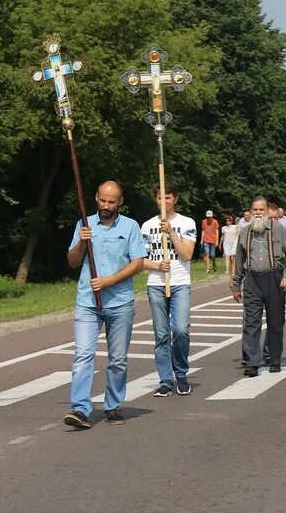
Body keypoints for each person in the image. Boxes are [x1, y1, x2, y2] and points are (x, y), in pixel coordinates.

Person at [63, 181, 146, 429]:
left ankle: (113, 405)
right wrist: (81, 241)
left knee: (117, 359)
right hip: (88, 302)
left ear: (120, 202)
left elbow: (138, 263)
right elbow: (73, 261)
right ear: (96, 198)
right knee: (83, 355)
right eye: (102, 200)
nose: (106, 206)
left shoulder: (131, 226)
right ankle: (80, 409)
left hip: (120, 303)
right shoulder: (84, 224)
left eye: (111, 202)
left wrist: (110, 281)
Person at [141, 182, 197, 397]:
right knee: (161, 334)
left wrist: (171, 233)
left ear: (175, 199)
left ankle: (181, 374)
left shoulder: (187, 222)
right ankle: (165, 379)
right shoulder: (147, 226)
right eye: (160, 198)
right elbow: (139, 261)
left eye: (168, 197)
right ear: (155, 200)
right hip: (156, 284)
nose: (164, 202)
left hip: (180, 282)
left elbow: (187, 255)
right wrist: (156, 265)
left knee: (181, 330)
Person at [231, 196, 286, 376]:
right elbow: (239, 259)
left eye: (261, 210)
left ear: (267, 212)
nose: (258, 213)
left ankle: (275, 359)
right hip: (252, 280)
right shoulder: (245, 232)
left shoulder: (278, 229)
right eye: (255, 210)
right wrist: (236, 285)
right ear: (251, 212)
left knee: (275, 322)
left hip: (274, 279)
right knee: (251, 322)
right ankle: (252, 362)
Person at [221, 215, 238, 279]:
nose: (227, 222)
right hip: (226, 244)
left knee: (232, 258)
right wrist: (220, 243)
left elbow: (240, 225)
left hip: (233, 244)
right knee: (227, 256)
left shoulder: (235, 227)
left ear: (231, 221)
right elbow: (222, 236)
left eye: (229, 220)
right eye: (226, 220)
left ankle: (233, 268)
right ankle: (227, 270)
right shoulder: (223, 228)